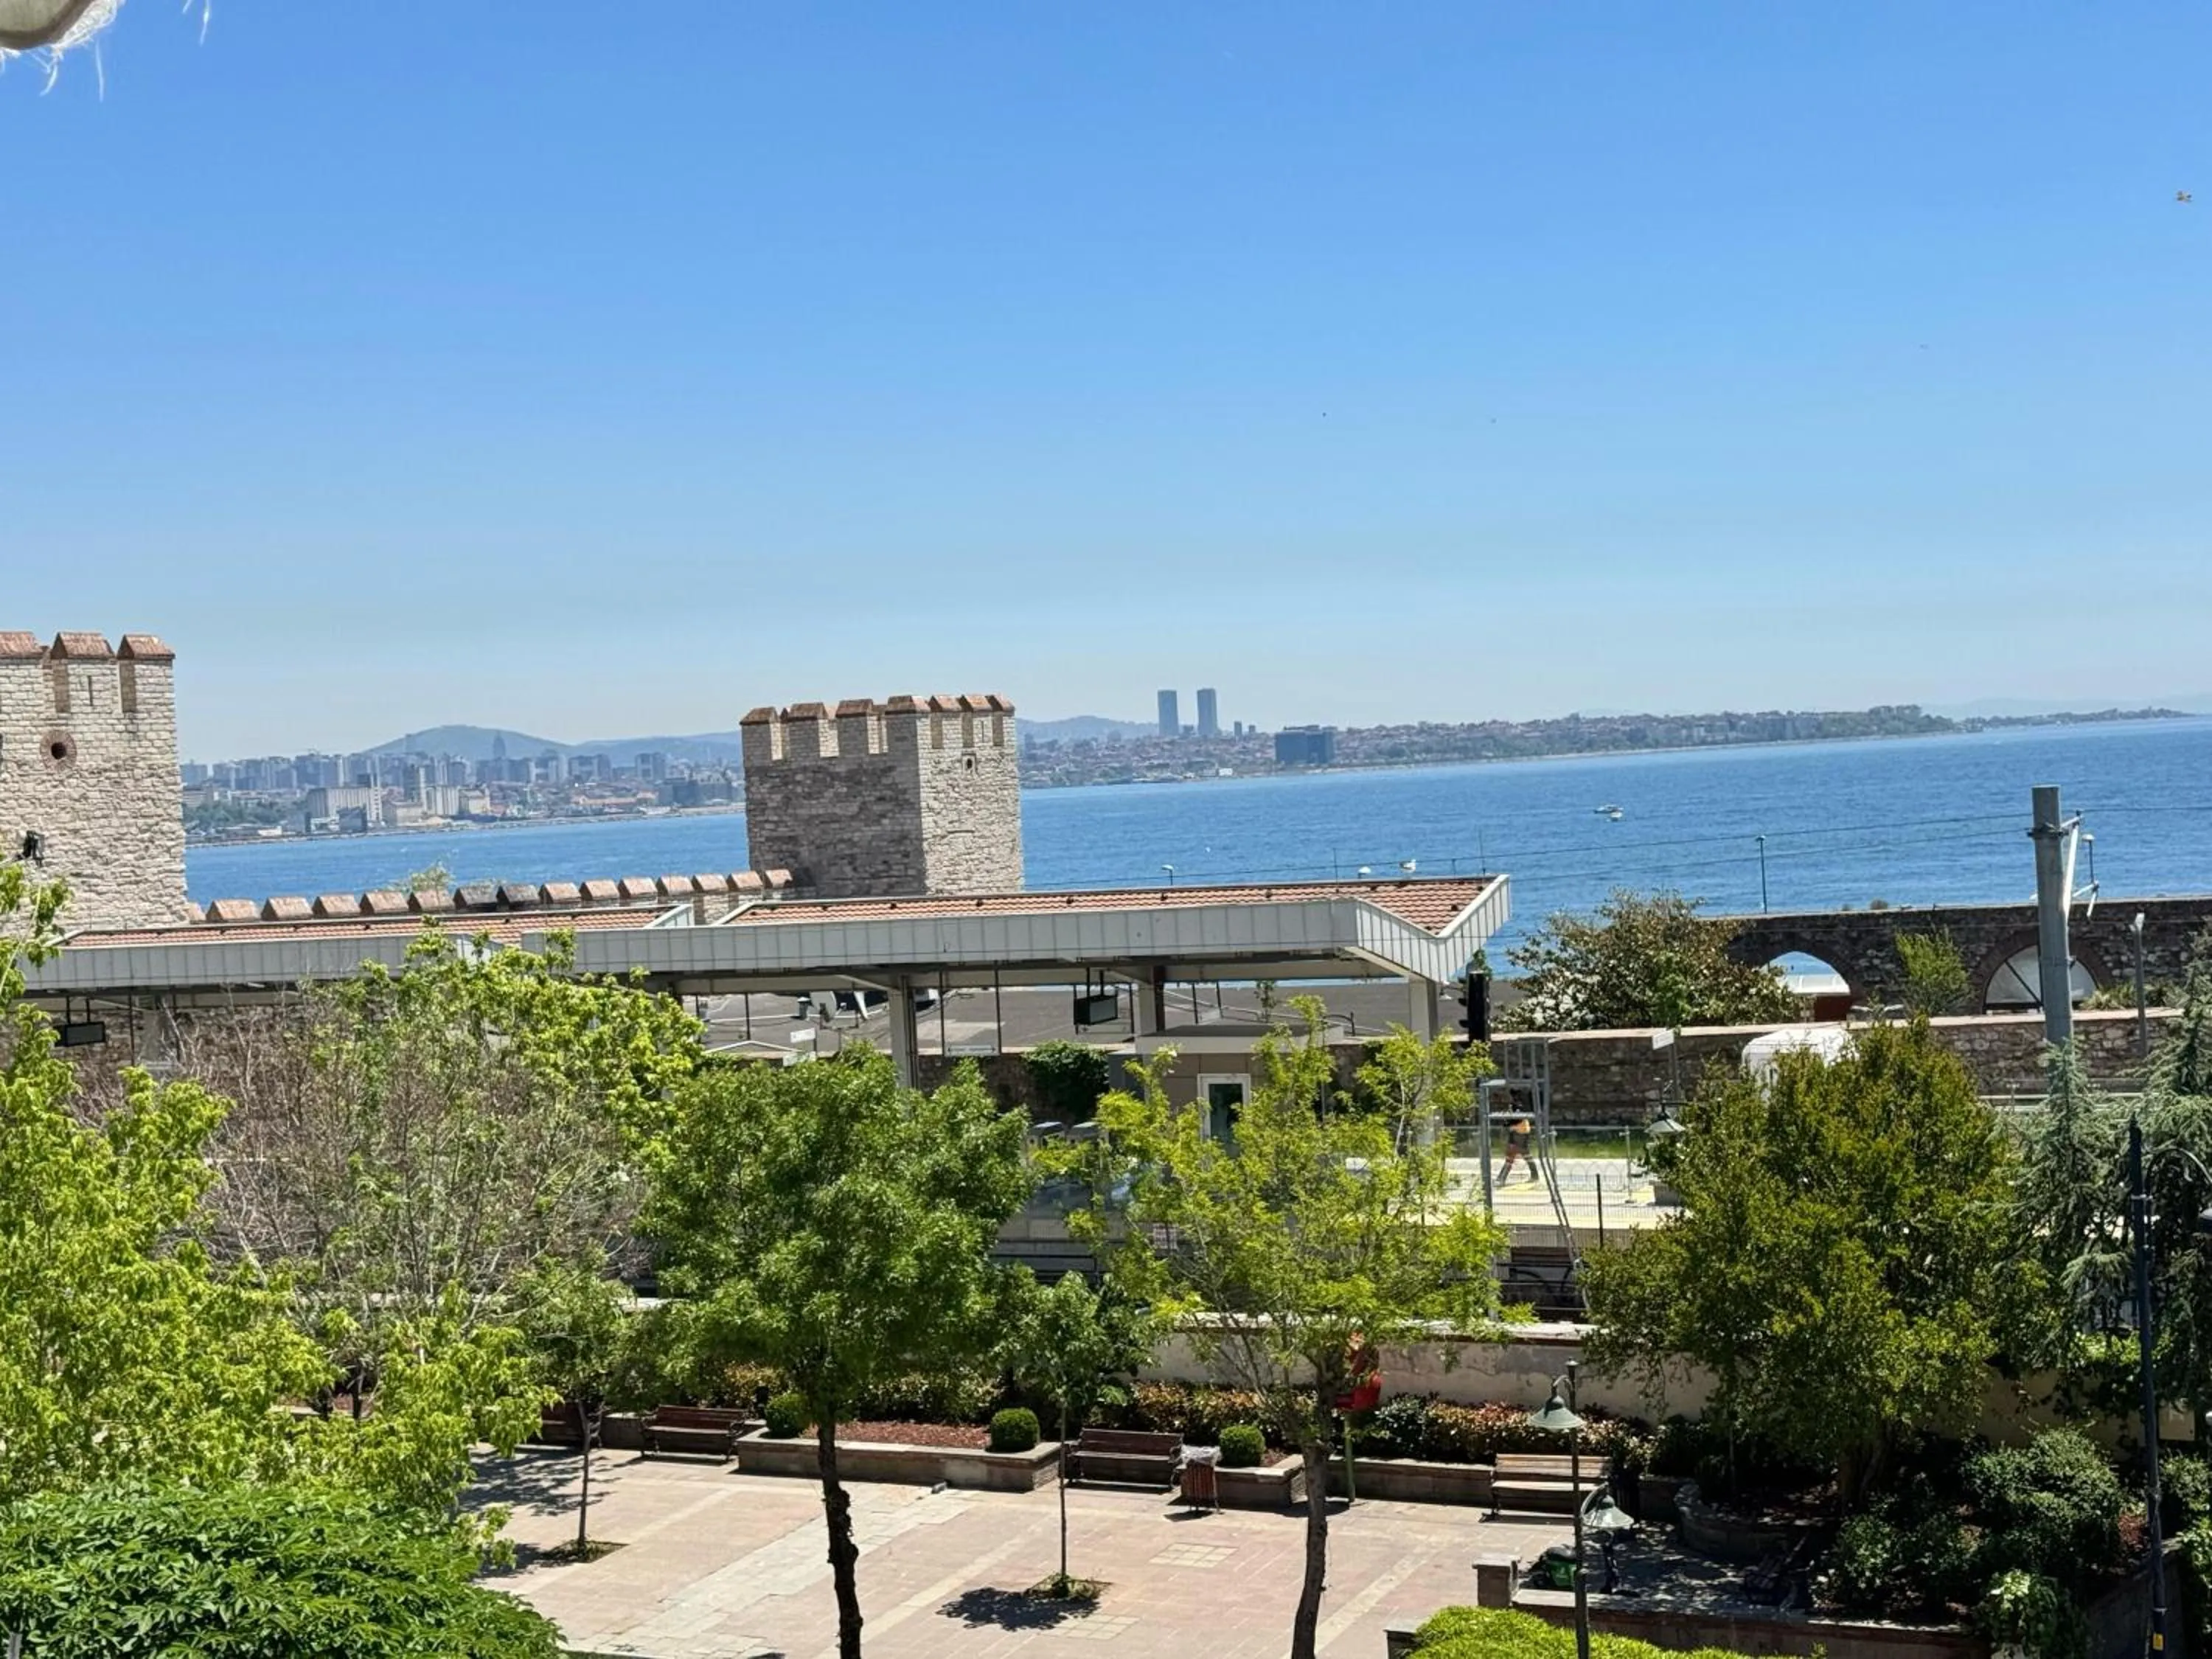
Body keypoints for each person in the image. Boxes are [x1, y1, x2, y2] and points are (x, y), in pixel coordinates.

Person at [1498, 1118, 1535, 1184]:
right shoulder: (1522, 1123)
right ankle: (1501, 1179)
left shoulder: (1519, 1122)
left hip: (1517, 1141)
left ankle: (1501, 1179)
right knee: (1528, 1159)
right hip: (1520, 1141)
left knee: (1509, 1161)